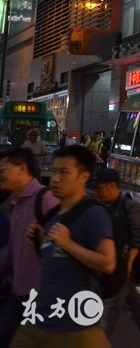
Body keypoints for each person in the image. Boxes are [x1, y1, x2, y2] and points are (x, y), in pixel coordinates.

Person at [13, 145, 115, 348]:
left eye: (64, 172)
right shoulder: (54, 216)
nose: (55, 178)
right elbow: (57, 263)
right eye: (55, 170)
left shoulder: (93, 214)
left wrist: (67, 243)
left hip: (76, 327)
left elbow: (108, 262)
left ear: (84, 176)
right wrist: (40, 241)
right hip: (40, 318)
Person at [94, 169, 140, 348]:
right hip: (114, 265)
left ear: (112, 186)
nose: (98, 192)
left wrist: (127, 265)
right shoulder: (104, 205)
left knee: (110, 308)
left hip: (125, 266)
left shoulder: (130, 207)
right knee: (133, 306)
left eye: (101, 188)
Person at [0, 148, 61, 344]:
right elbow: (11, 250)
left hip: (42, 296)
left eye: (2, 169)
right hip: (18, 292)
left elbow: (63, 247)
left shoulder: (45, 199)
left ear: (21, 168)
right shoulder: (15, 203)